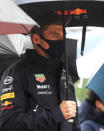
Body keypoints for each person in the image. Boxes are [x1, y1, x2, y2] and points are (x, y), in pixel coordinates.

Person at [0, 15, 80, 131]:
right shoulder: (17, 72)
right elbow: (8, 123)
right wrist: (56, 113)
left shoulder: (64, 73)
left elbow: (74, 123)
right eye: (55, 35)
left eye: (64, 35)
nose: (61, 40)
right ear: (36, 39)